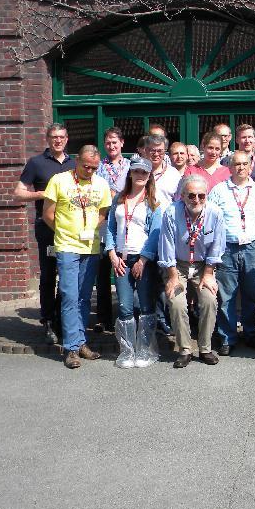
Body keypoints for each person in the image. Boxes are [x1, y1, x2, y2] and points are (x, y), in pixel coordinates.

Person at [42, 145, 112, 369]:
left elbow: (102, 214)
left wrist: (90, 230)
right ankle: (71, 348)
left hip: (90, 248)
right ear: (76, 161)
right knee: (70, 296)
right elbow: (48, 214)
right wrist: (65, 232)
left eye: (94, 168)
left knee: (83, 297)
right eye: (86, 166)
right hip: (67, 247)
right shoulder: (59, 180)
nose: (89, 171)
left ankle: (81, 342)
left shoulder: (101, 184)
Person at [14, 122, 75, 344]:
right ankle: (48, 319)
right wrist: (42, 194)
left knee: (68, 274)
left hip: (70, 228)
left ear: (66, 139)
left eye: (61, 137)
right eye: (54, 137)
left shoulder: (74, 164)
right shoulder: (36, 163)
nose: (58, 140)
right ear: (48, 139)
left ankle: (62, 318)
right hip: (47, 228)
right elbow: (18, 193)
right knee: (49, 274)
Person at [158, 175, 226, 369]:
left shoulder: (215, 213)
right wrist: (172, 277)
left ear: (206, 196)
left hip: (204, 266)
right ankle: (185, 349)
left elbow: (217, 246)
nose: (196, 200)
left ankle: (205, 348)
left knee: (209, 300)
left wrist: (209, 274)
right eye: (191, 195)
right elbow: (167, 246)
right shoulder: (171, 212)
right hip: (177, 266)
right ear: (182, 196)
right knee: (176, 302)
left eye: (201, 196)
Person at [208, 150, 255, 354]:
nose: (241, 167)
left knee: (251, 293)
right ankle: (227, 337)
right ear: (230, 166)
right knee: (226, 295)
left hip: (253, 246)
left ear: (250, 166)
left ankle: (251, 334)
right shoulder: (218, 190)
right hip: (227, 248)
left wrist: (251, 234)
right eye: (237, 164)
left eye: (245, 164)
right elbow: (211, 220)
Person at [104, 156, 163, 368]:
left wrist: (143, 260)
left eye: (144, 172)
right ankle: (127, 352)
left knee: (146, 305)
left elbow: (155, 234)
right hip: (121, 259)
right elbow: (110, 228)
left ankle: (145, 350)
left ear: (149, 176)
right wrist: (112, 254)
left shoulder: (153, 202)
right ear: (130, 173)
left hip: (143, 260)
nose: (140, 175)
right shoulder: (119, 199)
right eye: (136, 171)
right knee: (125, 307)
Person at [93, 127, 130, 336]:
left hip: (125, 226)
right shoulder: (98, 167)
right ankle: (103, 317)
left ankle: (125, 315)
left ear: (122, 143)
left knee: (123, 270)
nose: (111, 146)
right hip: (103, 224)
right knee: (102, 274)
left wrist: (115, 193)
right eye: (108, 142)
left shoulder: (130, 166)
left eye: (115, 142)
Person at [147, 134, 181, 210]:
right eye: (152, 150)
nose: (156, 154)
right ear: (146, 150)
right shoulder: (138, 172)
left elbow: (179, 202)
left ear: (165, 151)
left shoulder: (174, 174)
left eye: (160, 151)